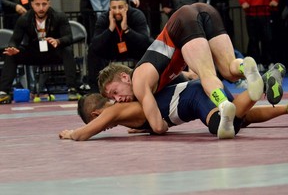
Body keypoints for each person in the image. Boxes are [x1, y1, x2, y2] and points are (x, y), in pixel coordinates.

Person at [98, 3, 266, 139]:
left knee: (206, 74)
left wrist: (151, 124)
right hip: (206, 11)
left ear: (124, 76)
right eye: (112, 98)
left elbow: (157, 126)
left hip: (183, 23)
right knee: (229, 70)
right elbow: (188, 76)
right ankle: (246, 68)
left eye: (115, 92)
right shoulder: (152, 75)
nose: (118, 99)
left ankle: (223, 104)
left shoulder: (139, 82)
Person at [59, 64, 287, 141]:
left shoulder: (115, 111)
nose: (117, 99)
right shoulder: (133, 103)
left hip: (195, 96)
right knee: (241, 116)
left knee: (224, 126)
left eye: (115, 93)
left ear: (97, 115)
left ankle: (260, 87)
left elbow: (83, 134)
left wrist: (71, 133)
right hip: (197, 90)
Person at [0, 0, 79, 104]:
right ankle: (3, 92)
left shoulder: (59, 16)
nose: (41, 8)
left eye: (44, 4)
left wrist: (58, 41)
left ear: (49, 3)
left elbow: (69, 37)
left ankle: (72, 89)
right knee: (12, 54)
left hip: (53, 52)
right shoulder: (24, 19)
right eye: (37, 4)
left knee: (67, 50)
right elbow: (14, 40)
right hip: (33, 52)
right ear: (32, 5)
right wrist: (13, 48)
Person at [87, 0, 153, 93]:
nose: (117, 11)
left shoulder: (136, 15)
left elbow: (144, 41)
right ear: (110, 8)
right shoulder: (104, 18)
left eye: (120, 7)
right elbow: (95, 44)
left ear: (126, 7)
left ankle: (149, 84)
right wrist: (110, 29)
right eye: (114, 8)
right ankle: (96, 91)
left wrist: (126, 29)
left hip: (133, 48)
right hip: (112, 50)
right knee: (93, 50)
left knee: (151, 45)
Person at [239, 0, 279, 72]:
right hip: (251, 14)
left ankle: (269, 62)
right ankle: (257, 62)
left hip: (265, 12)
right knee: (253, 40)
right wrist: (243, 2)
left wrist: (274, 0)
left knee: (268, 38)